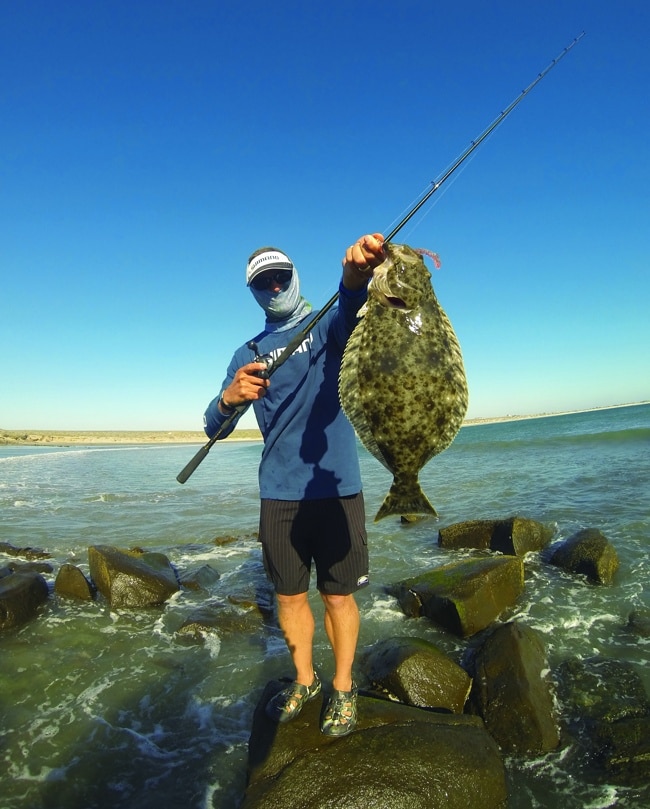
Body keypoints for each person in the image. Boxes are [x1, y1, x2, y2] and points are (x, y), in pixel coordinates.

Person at [203, 233, 385, 737]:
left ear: (295, 274)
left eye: (281, 275)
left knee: (338, 597)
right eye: (264, 282)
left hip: (337, 488)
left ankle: (343, 687)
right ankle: (305, 680)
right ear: (255, 292)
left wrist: (356, 269)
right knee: (287, 597)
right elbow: (212, 427)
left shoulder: (328, 321)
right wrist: (228, 397)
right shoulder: (248, 351)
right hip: (278, 495)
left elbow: (353, 295)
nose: (275, 286)